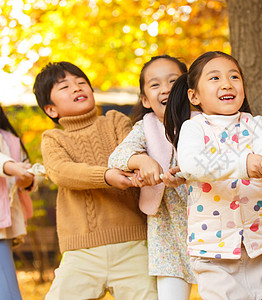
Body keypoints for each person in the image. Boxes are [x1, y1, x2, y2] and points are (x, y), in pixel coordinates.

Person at [164, 51, 262, 299]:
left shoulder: (255, 125)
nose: (227, 83)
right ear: (194, 95)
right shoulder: (194, 128)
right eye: (215, 78)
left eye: (234, 76)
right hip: (214, 253)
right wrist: (244, 163)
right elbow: (192, 164)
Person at [33, 62, 157, 299]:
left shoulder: (115, 121)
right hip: (81, 252)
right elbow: (60, 171)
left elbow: (133, 152)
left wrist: (139, 166)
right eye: (64, 86)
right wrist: (106, 176)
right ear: (51, 110)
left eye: (81, 83)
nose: (77, 88)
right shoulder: (53, 138)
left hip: (132, 244)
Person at [108, 55, 195, 300]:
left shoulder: (202, 122)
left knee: (219, 289)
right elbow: (118, 156)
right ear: (145, 99)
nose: (166, 88)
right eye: (155, 85)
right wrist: (142, 160)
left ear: (190, 91)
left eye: (173, 81)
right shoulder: (146, 127)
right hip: (166, 227)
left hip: (207, 222)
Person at [0, 104, 35, 300]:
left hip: (3, 224)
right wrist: (10, 167)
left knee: (7, 291)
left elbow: (26, 173)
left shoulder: (10, 139)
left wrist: (27, 179)